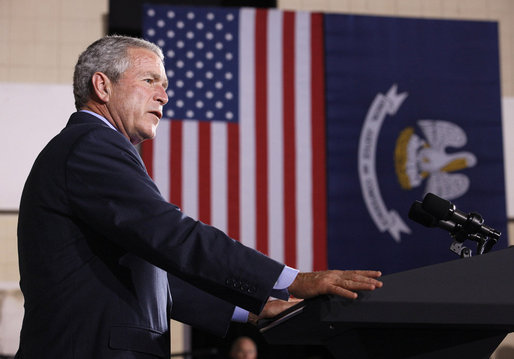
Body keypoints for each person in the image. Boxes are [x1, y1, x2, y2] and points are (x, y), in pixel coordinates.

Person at [15, 35, 382, 359]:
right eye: (149, 81)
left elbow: (155, 274)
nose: (164, 95)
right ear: (102, 86)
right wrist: (291, 279)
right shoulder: (91, 145)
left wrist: (255, 309)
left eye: (165, 84)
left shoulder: (88, 148)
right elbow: (173, 235)